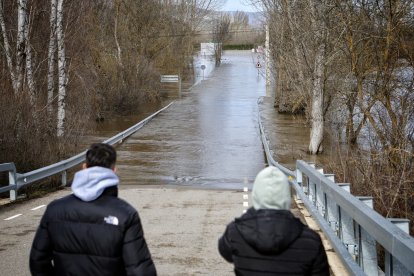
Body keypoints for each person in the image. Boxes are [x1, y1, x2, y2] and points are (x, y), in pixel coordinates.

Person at [30, 143, 156, 276]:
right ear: (114, 171)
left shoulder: (54, 210)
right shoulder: (126, 214)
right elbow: (140, 271)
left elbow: (37, 261)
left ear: (84, 167)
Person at [218, 166, 329, 275]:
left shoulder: (235, 232)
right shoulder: (311, 240)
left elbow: (226, 252)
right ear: (286, 196)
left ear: (256, 195)